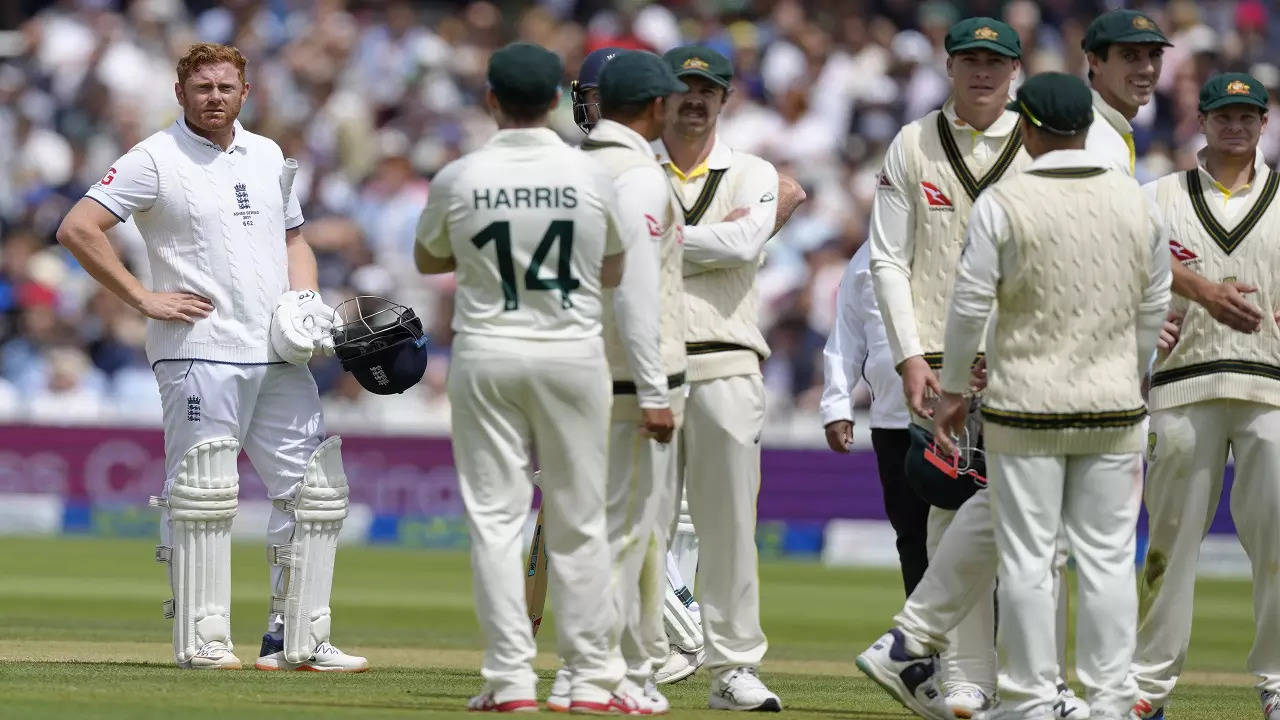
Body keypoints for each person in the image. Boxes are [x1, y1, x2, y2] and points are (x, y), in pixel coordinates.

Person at [55, 42, 366, 674]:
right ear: (181, 94)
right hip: (199, 350)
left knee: (315, 493)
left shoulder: (269, 153)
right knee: (203, 495)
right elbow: (77, 228)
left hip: (279, 352)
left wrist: (305, 301)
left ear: (245, 92)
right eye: (202, 88)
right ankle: (203, 640)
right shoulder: (153, 158)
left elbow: (293, 238)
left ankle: (297, 640)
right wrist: (143, 297)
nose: (215, 97)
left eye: (226, 86)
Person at [936, 72, 1170, 719]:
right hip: (1114, 404)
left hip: (1027, 409)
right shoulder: (1137, 201)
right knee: (1106, 560)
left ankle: (1033, 700)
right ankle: (1111, 700)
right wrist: (1133, 368)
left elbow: (968, 304)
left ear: (1029, 126)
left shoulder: (1003, 202)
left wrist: (953, 389)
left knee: (1030, 561)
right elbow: (1154, 304)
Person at [414, 42, 638, 713]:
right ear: (554, 101)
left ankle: (511, 680)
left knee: (494, 520)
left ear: (491, 99)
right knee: (580, 519)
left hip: (488, 351)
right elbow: (616, 269)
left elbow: (429, 259)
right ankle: (590, 676)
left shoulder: (460, 175)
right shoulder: (590, 175)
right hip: (571, 353)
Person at [866, 18, 1031, 717]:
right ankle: (966, 681)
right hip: (936, 365)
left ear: (1015, 71)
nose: (983, 73)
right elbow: (887, 257)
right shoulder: (912, 142)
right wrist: (906, 353)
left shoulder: (1039, 142)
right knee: (948, 512)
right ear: (950, 66)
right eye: (970, 61)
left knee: (1030, 527)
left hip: (1026, 361)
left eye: (996, 62)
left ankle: (1031, 681)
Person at [652, 44, 805, 711]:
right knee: (642, 526)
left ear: (725, 98)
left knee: (728, 529)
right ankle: (642, 660)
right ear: (661, 97)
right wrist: (701, 241)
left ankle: (734, 669)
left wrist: (651, 241)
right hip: (646, 366)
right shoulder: (633, 170)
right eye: (683, 88)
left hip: (728, 361)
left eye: (706, 89)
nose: (695, 99)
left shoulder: (753, 171)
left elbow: (745, 244)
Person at [1130, 73, 1280, 720]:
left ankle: (1277, 681)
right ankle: (1148, 686)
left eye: (1248, 116)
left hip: (1270, 389)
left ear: (1263, 122)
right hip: (1182, 386)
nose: (1236, 126)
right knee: (1168, 543)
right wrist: (1145, 312)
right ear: (1204, 119)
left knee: (1277, 546)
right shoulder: (1158, 196)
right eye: (1225, 114)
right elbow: (1119, 271)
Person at [543, 50, 689, 714]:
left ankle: (586, 671)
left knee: (587, 528)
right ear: (655, 107)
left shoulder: (567, 167)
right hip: (625, 379)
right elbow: (633, 293)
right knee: (624, 530)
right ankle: (601, 672)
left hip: (568, 365)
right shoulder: (637, 176)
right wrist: (656, 391)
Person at [1083, 9, 1265, 339]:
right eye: (1129, 56)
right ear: (1094, 61)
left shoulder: (1114, 131)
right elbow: (1118, 246)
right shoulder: (1091, 137)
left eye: (1154, 55)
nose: (1147, 68)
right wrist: (1207, 293)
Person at [820, 242, 929, 595]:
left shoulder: (951, 237)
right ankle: (924, 644)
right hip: (891, 420)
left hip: (953, 416)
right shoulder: (864, 258)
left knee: (964, 537)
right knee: (911, 537)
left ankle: (974, 644)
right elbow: (846, 335)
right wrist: (837, 404)